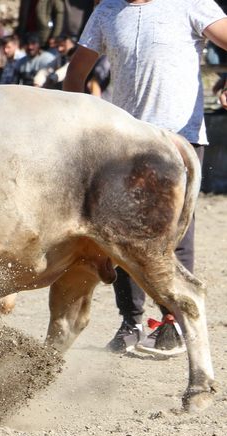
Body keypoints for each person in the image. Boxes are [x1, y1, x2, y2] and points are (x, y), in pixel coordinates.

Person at [63, 0, 227, 356]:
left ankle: (174, 323)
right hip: (125, 140)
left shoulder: (190, 3)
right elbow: (76, 74)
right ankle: (131, 321)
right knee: (119, 234)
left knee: (174, 231)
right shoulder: (107, 10)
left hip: (179, 139)